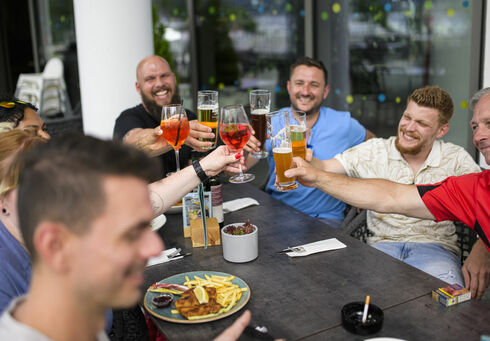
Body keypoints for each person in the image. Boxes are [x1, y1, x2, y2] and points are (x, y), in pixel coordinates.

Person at [0, 134, 253, 340]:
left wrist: (205, 165)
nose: (155, 247)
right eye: (128, 233)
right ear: (54, 246)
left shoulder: (80, 323)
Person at [285, 87, 490, 300]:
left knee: (449, 309)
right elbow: (324, 168)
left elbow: (483, 205)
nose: (409, 128)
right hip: (382, 246)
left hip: (436, 249)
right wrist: (307, 160)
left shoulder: (456, 158)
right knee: (359, 302)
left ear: (441, 130)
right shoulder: (374, 150)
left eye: (421, 123)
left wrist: (482, 250)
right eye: (407, 117)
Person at [246, 56, 375, 227]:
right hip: (276, 213)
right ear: (289, 87)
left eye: (314, 85)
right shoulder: (273, 121)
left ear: (325, 91)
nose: (305, 91)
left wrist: (363, 186)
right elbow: (237, 170)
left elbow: (376, 148)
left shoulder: (344, 123)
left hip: (325, 219)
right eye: (299, 83)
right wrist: (242, 147)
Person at [113, 55, 214, 179]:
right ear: (138, 88)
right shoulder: (128, 118)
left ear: (174, 79)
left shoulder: (189, 117)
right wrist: (177, 134)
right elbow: (132, 143)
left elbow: (202, 169)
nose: (159, 83)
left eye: (164, 76)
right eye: (150, 79)